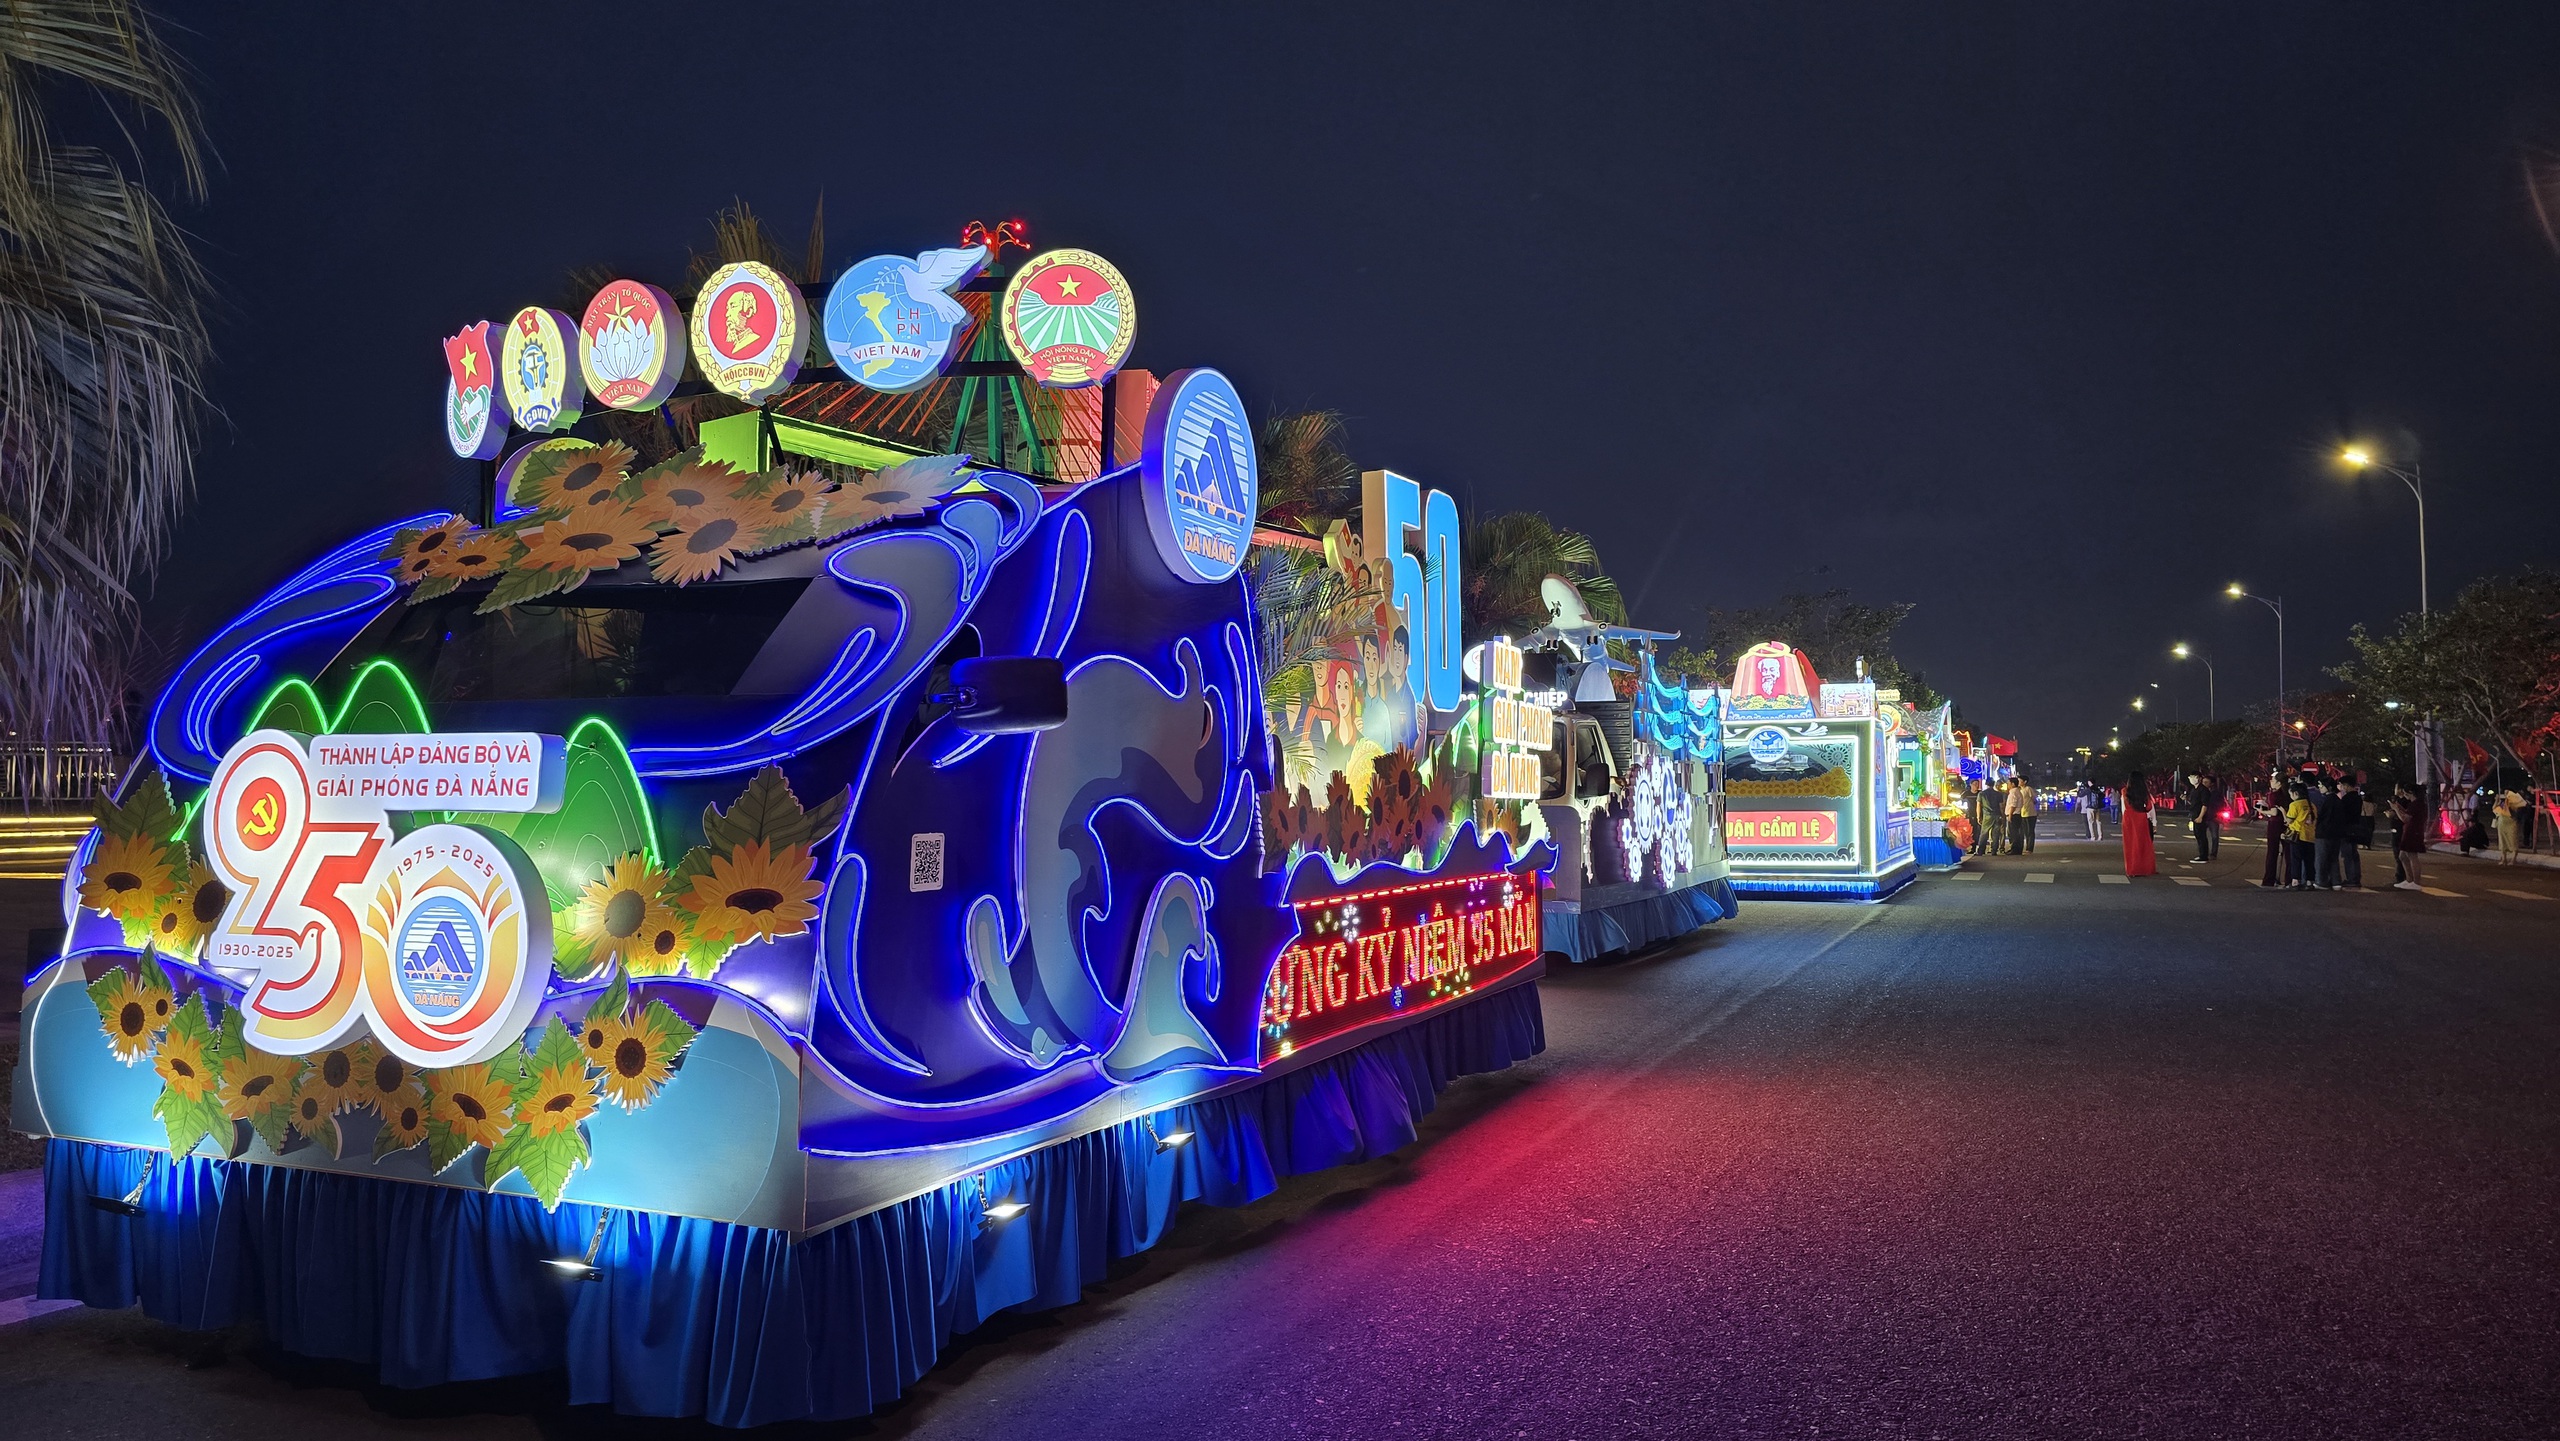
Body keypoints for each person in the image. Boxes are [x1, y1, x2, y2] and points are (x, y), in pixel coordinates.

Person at [2325, 774, 2363, 888]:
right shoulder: (2357, 797)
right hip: (2354, 828)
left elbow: (2342, 814)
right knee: (2353, 854)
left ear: (2346, 785)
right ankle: (2355, 878)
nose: (2340, 787)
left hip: (2346, 829)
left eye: (2341, 785)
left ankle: (2352, 879)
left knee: (2348, 855)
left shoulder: (2347, 799)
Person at [2389, 785, 2428, 891]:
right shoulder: (2417, 804)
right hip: (2411, 831)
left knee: (2412, 856)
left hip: (2413, 831)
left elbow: (2405, 819)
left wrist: (2396, 809)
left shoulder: (2416, 804)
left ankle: (2416, 882)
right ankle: (2409, 880)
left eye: (2405, 793)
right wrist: (2400, 808)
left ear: (2411, 793)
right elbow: (2408, 813)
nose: (2405, 795)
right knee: (2402, 856)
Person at [2283, 781, 2318, 890]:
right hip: (2310, 836)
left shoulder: (2294, 805)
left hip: (2297, 836)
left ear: (2296, 793)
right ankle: (2309, 882)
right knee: (2309, 860)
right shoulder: (2312, 805)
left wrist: (2283, 812)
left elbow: (2289, 820)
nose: (2290, 796)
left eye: (2290, 794)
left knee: (2296, 859)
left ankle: (2295, 882)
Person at [2121, 771, 2156, 876]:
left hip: (2128, 818)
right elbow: (2149, 807)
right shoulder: (2144, 792)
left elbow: (2123, 808)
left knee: (2130, 845)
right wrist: (2154, 822)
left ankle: (2132, 868)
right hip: (2141, 817)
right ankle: (2145, 868)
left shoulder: (2125, 791)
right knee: (2143, 844)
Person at [2257, 783, 2289, 888]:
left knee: (2272, 852)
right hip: (2287, 824)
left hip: (2275, 824)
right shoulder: (2288, 793)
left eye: (2273, 779)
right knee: (2288, 853)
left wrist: (2262, 811)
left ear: (2279, 782)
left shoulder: (2273, 795)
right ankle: (2289, 879)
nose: (2271, 781)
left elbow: (2274, 812)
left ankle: (2269, 880)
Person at [2187, 772, 2219, 861]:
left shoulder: (2204, 790)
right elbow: (2194, 803)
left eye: (2194, 777)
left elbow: (2205, 805)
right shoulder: (2194, 790)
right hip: (2194, 815)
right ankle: (2202, 854)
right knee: (2198, 835)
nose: (2192, 779)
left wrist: (2200, 817)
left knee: (2203, 836)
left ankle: (2204, 856)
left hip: (2203, 816)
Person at [2494, 788, 2524, 865]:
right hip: (2502, 823)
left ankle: (2513, 859)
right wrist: (2497, 801)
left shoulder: (2515, 801)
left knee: (2513, 840)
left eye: (2508, 792)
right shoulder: (2502, 802)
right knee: (2502, 840)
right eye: (2505, 793)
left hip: (2511, 823)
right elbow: (2494, 809)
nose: (2506, 794)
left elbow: (2515, 810)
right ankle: (2504, 858)